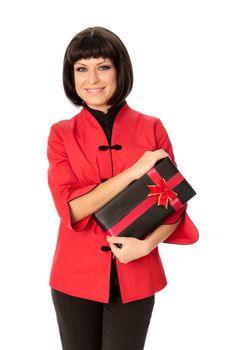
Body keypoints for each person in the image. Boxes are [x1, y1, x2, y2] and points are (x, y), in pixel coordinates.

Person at [47, 26, 199, 350]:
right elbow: (71, 208)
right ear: (71, 75)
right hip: (74, 276)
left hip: (137, 272)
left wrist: (146, 247)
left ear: (119, 69)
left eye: (103, 66)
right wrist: (134, 172)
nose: (92, 79)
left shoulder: (152, 127)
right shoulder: (61, 134)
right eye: (81, 69)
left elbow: (173, 202)